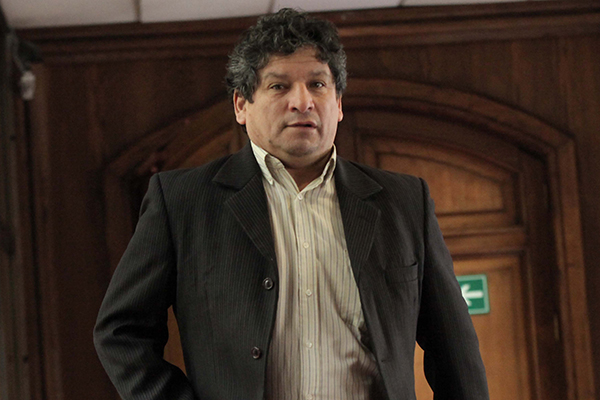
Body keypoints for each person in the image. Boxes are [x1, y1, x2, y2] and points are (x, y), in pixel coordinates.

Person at [94, 8, 489, 400]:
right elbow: (120, 333)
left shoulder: (403, 202)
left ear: (338, 103)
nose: (302, 101)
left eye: (317, 84)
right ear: (241, 105)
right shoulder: (182, 201)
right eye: (279, 86)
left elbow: (454, 350)